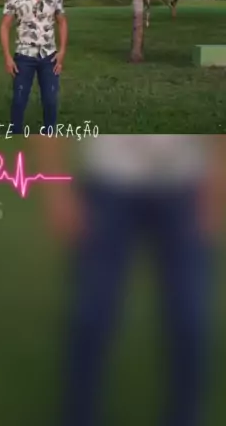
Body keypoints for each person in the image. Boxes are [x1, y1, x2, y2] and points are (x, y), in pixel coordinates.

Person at [35, 133, 225, 426]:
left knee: (190, 318)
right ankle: (78, 415)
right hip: (108, 186)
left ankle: (185, 416)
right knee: (91, 315)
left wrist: (216, 186)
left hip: (185, 188)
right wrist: (58, 194)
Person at [0, 0, 67, 136]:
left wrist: (61, 52)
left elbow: (62, 22)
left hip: (49, 57)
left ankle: (49, 138)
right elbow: (5, 26)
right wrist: (7, 57)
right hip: (24, 56)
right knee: (19, 100)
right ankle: (16, 138)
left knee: (50, 100)